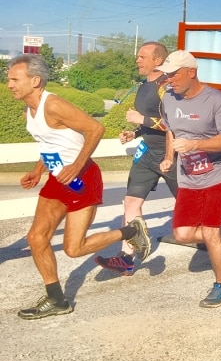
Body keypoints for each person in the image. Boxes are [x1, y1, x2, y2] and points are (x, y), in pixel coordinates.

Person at [9, 54, 151, 319]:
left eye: (15, 79)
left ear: (35, 80)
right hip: (57, 177)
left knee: (74, 249)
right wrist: (38, 170)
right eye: (9, 80)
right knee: (36, 238)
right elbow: (49, 144)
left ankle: (131, 231)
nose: (9, 85)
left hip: (81, 179)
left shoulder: (53, 105)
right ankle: (57, 299)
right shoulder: (29, 109)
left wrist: (76, 165)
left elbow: (95, 128)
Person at [157, 50, 221, 308]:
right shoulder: (169, 99)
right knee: (183, 233)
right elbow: (171, 131)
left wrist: (196, 143)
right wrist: (169, 157)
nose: (169, 79)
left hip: (219, 172)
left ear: (192, 72)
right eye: (166, 74)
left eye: (174, 73)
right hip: (189, 174)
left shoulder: (216, 100)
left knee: (210, 231)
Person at [95, 41, 178, 276]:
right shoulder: (144, 85)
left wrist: (141, 120)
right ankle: (126, 257)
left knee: (187, 206)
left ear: (158, 61)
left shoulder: (166, 86)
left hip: (173, 154)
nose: (137, 60)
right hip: (147, 152)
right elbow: (151, 121)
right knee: (131, 202)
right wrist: (135, 132)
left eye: (142, 57)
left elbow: (175, 124)